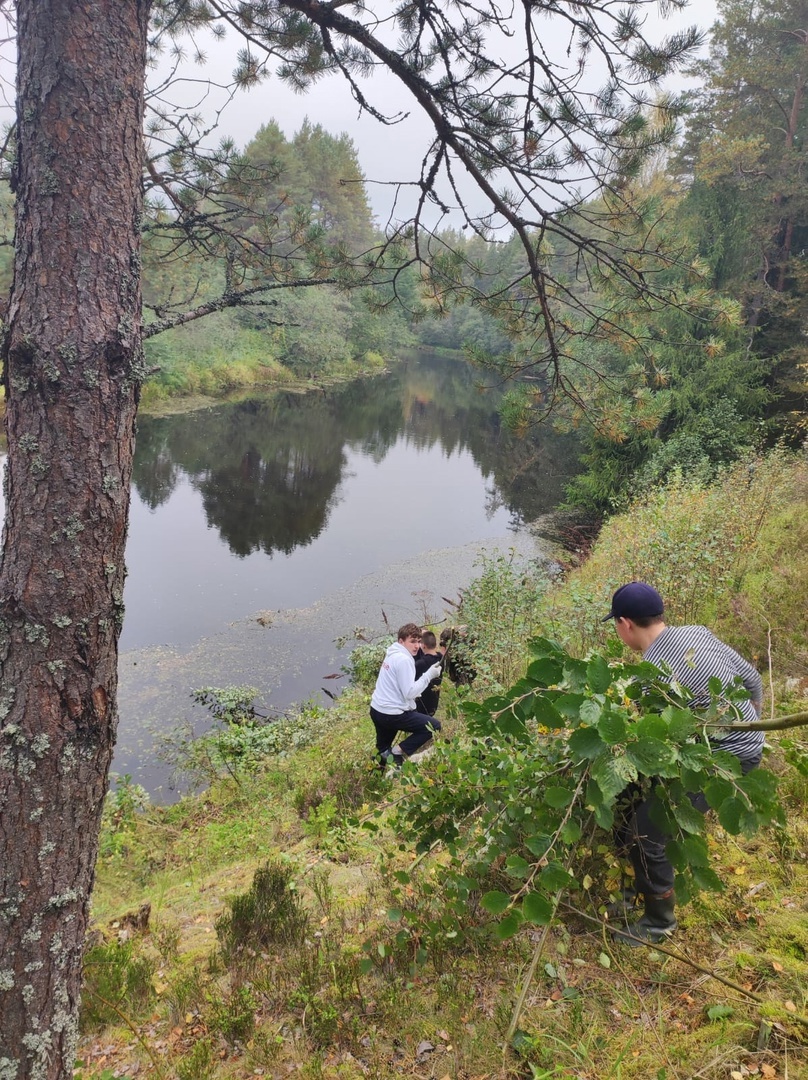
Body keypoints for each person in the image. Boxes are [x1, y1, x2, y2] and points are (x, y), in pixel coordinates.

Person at [603, 581, 764, 946]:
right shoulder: (697, 632)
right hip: (727, 748)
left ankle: (659, 922)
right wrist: (752, 727)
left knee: (645, 834)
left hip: (724, 763)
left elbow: (656, 744)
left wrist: (737, 741)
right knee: (624, 801)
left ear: (626, 624)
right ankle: (631, 890)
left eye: (615, 624)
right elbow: (752, 680)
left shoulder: (654, 676)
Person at [370, 623, 443, 768]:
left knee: (382, 750)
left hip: (377, 710)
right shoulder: (404, 660)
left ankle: (376, 775)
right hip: (391, 714)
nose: (416, 646)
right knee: (433, 726)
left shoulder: (392, 653)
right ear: (401, 641)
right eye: (412, 641)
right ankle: (397, 752)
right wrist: (429, 675)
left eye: (418, 641)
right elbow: (409, 692)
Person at [414, 630, 443, 716]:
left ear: (423, 646)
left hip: (421, 703)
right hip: (434, 701)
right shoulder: (441, 658)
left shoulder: (420, 664)